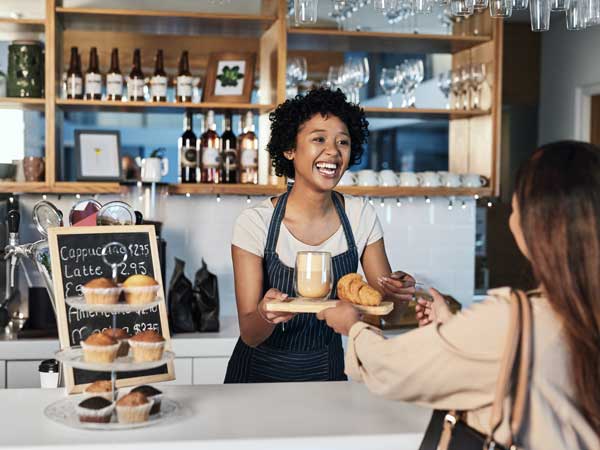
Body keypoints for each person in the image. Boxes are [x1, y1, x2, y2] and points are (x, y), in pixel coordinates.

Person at [317, 141, 600, 449]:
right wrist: (453, 330)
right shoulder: (578, 310)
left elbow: (393, 369)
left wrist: (353, 327)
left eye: (517, 204)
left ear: (538, 223)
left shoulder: (511, 320)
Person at [224, 88, 415, 383]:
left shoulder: (359, 215)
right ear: (289, 148)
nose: (333, 151)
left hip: (327, 373)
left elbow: (383, 313)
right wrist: (265, 314)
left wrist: (398, 294)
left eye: (343, 142)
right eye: (319, 139)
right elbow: (250, 334)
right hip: (256, 379)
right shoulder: (255, 223)